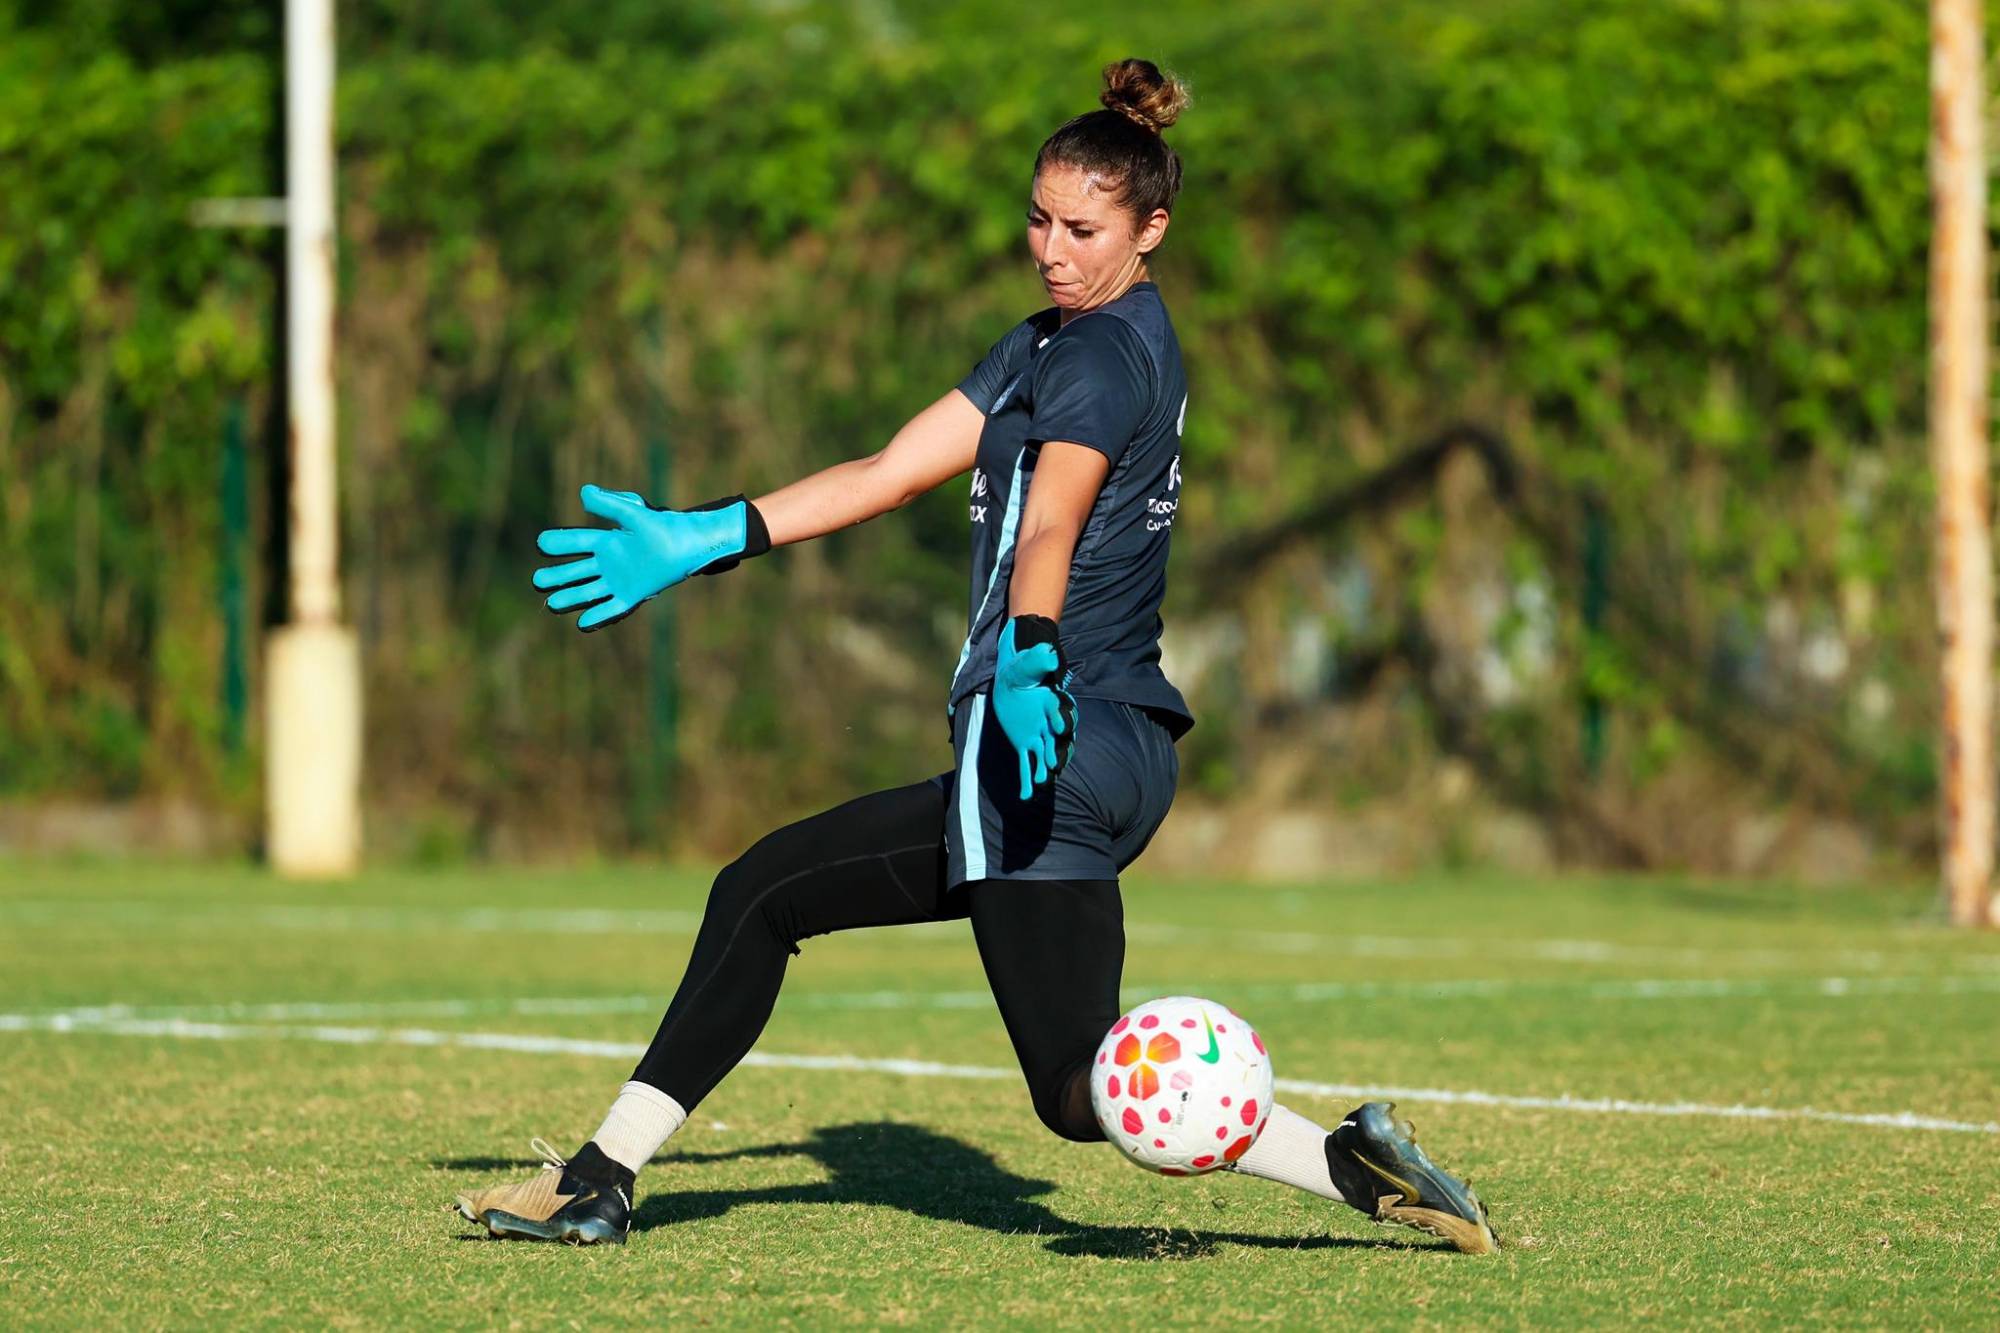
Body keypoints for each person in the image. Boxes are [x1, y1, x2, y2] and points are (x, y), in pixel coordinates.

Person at [454, 58, 1496, 1256]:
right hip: (1100, 742)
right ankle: (1351, 1163)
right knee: (967, 1020)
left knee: (840, 939)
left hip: (1045, 731)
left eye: (1084, 228)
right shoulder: (1044, 342)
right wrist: (711, 533)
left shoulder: (1103, 356)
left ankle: (597, 1179)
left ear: (1151, 229)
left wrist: (1028, 651)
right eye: (1039, 219)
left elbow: (1051, 518)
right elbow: (889, 471)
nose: (1053, 247)